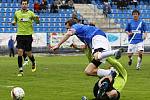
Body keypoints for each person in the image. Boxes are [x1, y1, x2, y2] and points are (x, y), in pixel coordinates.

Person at [51, 19, 124, 78]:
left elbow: (69, 34)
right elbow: (85, 47)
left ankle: (115, 52)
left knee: (97, 55)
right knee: (88, 71)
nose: (67, 30)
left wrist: (58, 45)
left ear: (71, 26)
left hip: (97, 38)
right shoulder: (83, 31)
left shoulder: (76, 26)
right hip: (98, 41)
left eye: (68, 28)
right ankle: (111, 73)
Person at [12, 0, 40, 76]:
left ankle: (33, 61)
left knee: (28, 53)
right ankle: (21, 71)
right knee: (20, 52)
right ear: (21, 5)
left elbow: (37, 22)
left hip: (28, 35)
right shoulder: (17, 13)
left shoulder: (31, 13)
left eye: (25, 4)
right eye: (23, 4)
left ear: (27, 5)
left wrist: (37, 19)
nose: (24, 5)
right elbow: (14, 20)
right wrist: (13, 22)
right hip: (20, 35)